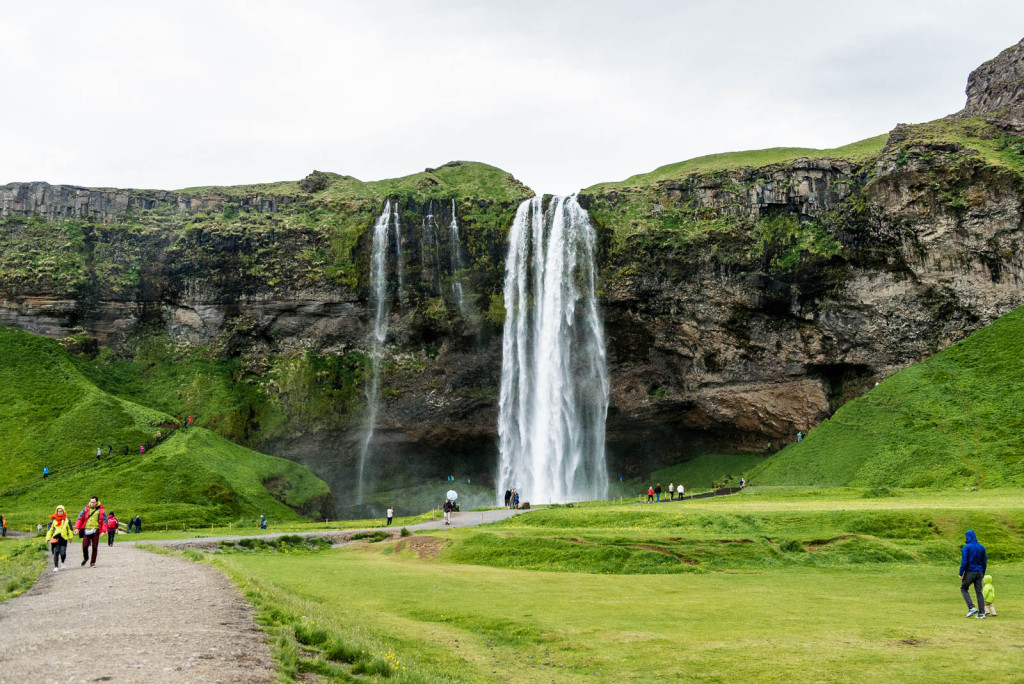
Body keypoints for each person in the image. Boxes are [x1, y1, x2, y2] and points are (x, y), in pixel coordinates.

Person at [959, 530, 987, 618]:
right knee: (979, 592)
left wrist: (961, 573)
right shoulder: (982, 547)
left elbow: (964, 561)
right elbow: (984, 562)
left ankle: (971, 607)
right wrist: (983, 573)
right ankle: (982, 613)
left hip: (970, 571)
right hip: (979, 572)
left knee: (963, 588)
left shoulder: (966, 547)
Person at [74, 496, 107, 568]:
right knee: (84, 546)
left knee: (95, 547)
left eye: (93, 502)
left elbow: (105, 521)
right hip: (86, 529)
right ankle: (86, 557)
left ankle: (93, 562)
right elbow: (80, 518)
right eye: (91, 502)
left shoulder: (101, 510)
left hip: (96, 530)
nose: (92, 503)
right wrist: (77, 528)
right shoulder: (86, 509)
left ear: (97, 502)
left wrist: (104, 531)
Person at [45, 505, 72, 572]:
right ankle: (56, 566)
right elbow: (50, 530)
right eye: (58, 511)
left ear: (63, 511)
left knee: (62, 553)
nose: (60, 512)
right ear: (56, 511)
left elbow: (70, 529)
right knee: (56, 552)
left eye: (61, 511)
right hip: (55, 538)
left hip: (63, 538)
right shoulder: (53, 520)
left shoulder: (67, 519)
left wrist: (70, 537)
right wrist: (47, 538)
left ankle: (63, 562)